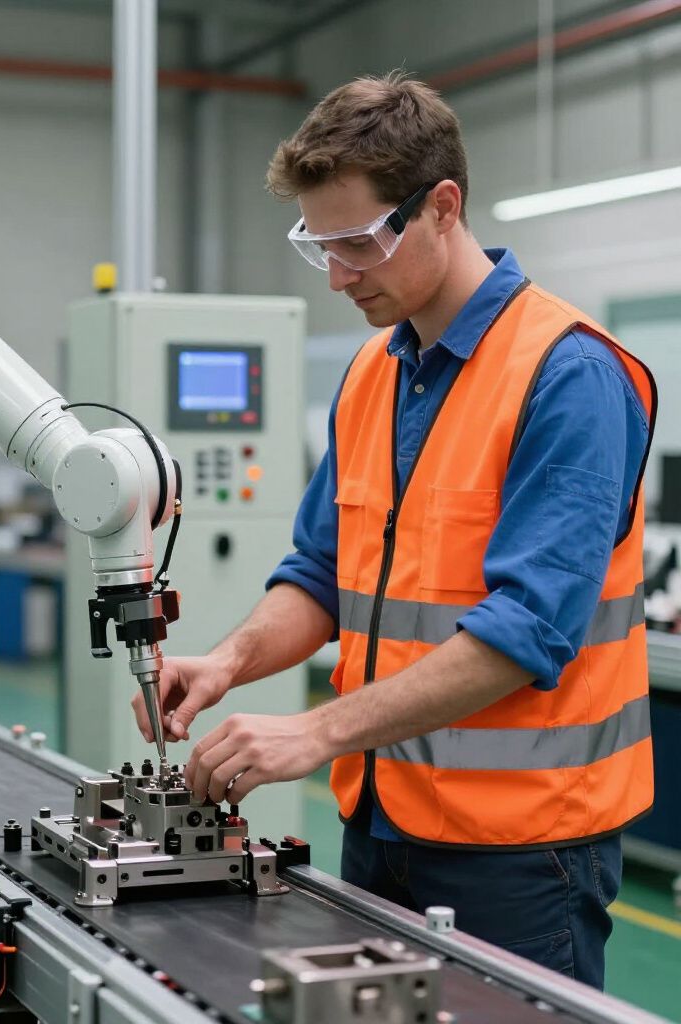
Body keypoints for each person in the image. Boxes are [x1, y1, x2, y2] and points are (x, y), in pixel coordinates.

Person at [131, 72, 655, 989]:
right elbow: (323, 574)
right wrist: (226, 662)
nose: (337, 276)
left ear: (441, 207)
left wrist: (316, 732)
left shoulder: (569, 376)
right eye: (316, 246)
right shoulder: (375, 373)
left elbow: (527, 632)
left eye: (356, 242)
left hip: (522, 851)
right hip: (382, 824)